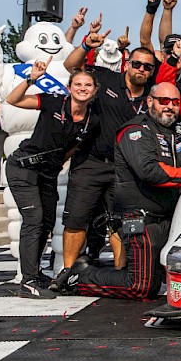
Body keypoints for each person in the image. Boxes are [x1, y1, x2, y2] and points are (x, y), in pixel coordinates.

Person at [61, 82, 181, 299]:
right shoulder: (135, 130)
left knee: (162, 282)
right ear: (150, 102)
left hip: (169, 217)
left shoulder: (178, 130)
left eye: (175, 102)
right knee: (140, 287)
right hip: (140, 217)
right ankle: (78, 276)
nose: (170, 107)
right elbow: (150, 171)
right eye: (164, 101)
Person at [61, 33, 158, 277]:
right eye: (137, 64)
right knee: (76, 219)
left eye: (147, 67)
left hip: (125, 169)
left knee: (120, 223)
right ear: (127, 64)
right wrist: (86, 45)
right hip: (91, 161)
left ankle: (121, 273)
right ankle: (66, 273)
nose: (141, 69)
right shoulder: (105, 78)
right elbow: (71, 66)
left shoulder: (153, 96)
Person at [5, 62, 100, 298]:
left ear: (95, 90)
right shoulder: (54, 102)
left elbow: (73, 147)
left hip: (48, 173)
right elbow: (13, 100)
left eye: (88, 85)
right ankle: (27, 281)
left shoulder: (92, 120)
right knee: (34, 220)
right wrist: (31, 79)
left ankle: (35, 273)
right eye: (78, 84)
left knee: (47, 223)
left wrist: (58, 165)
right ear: (69, 87)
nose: (83, 88)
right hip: (23, 167)